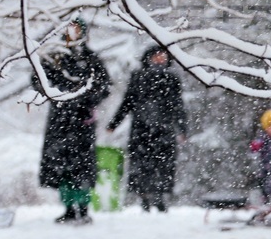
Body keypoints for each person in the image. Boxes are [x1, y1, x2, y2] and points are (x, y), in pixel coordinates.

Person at [34, 18, 111, 225]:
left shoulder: (91, 59)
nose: (73, 32)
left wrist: (86, 100)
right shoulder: (54, 57)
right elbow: (38, 80)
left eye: (76, 29)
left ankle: (83, 207)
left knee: (82, 167)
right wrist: (57, 95)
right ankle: (68, 207)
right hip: (60, 120)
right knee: (62, 167)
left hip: (83, 121)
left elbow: (104, 86)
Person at [106, 46, 186, 214]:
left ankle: (159, 197)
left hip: (164, 129)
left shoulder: (171, 78)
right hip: (141, 129)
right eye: (156, 56)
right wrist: (114, 123)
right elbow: (128, 102)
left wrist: (182, 128)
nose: (159, 59)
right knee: (141, 165)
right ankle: (144, 197)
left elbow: (178, 105)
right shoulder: (139, 76)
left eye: (162, 56)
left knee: (163, 165)